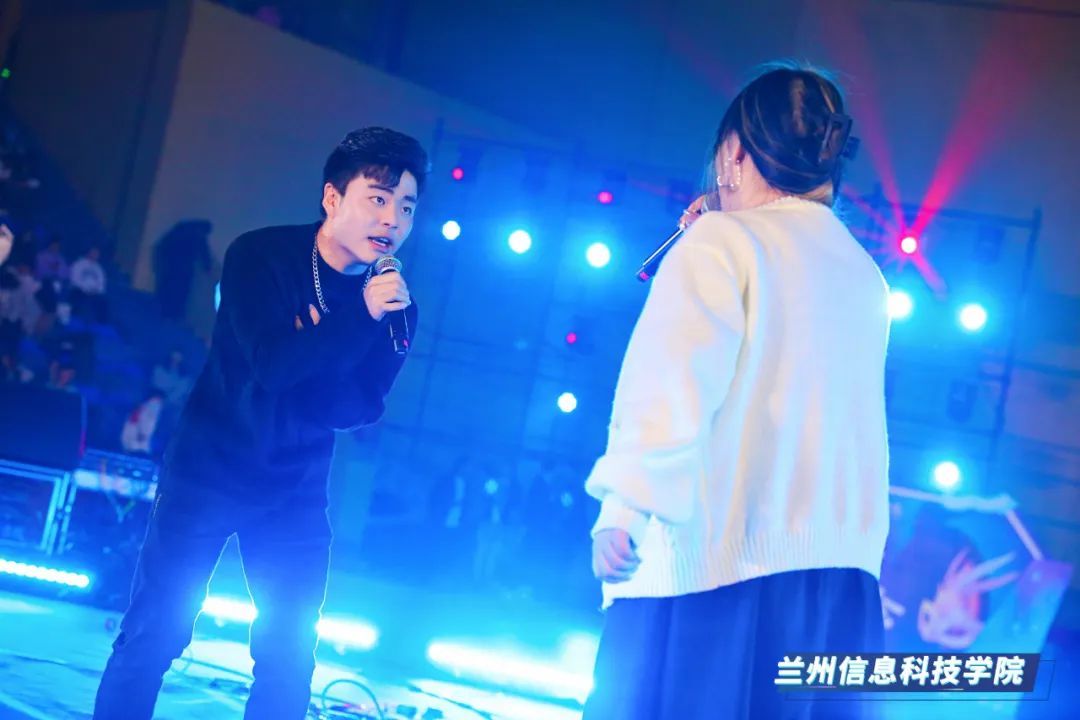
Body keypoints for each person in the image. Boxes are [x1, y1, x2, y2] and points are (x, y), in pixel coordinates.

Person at [583, 63, 890, 719]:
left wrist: (627, 506)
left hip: (718, 572)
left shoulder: (722, 241)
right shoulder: (866, 274)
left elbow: (673, 379)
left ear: (733, 153)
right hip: (837, 589)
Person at [93, 127, 427, 720]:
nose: (392, 219)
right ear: (332, 197)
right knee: (156, 633)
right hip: (209, 472)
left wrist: (315, 344)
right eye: (378, 198)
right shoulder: (260, 256)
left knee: (289, 654)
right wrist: (353, 323)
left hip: (295, 488)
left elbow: (356, 408)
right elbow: (271, 368)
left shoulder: (397, 304)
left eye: (405, 206)